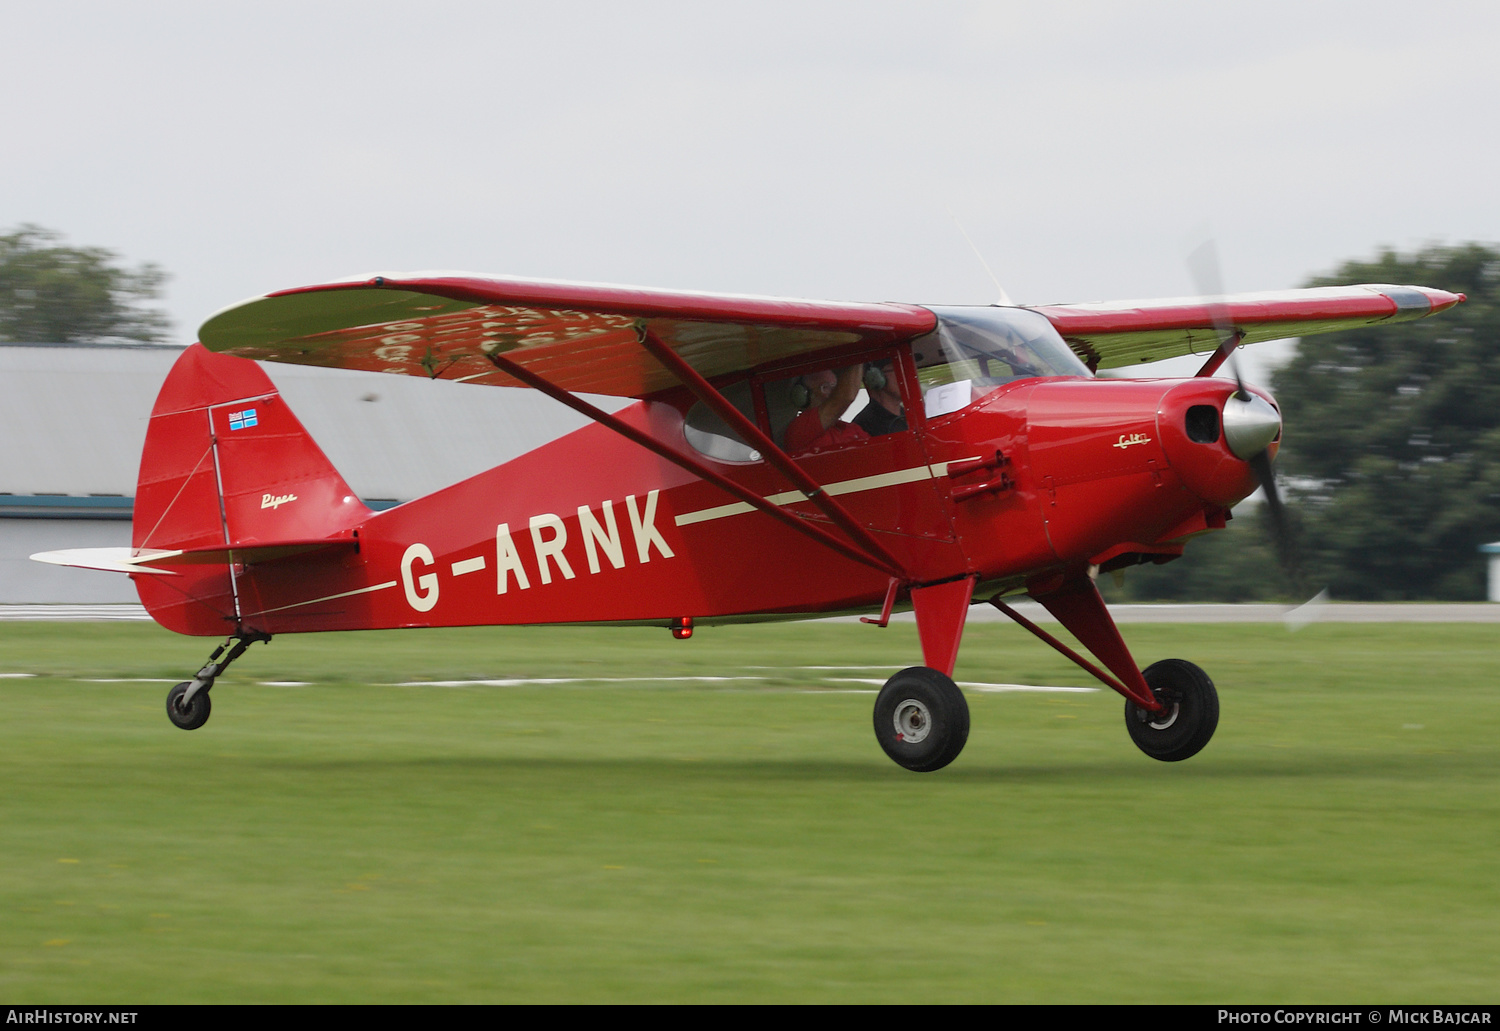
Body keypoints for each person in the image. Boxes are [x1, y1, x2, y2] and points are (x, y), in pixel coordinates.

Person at [783, 365, 870, 452]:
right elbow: (845, 398)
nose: (834, 392)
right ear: (802, 396)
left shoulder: (852, 428)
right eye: (825, 387)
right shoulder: (799, 430)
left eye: (835, 387)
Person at [854, 360, 906, 437]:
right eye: (899, 369)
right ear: (875, 377)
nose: (907, 376)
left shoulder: (908, 416)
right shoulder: (864, 427)